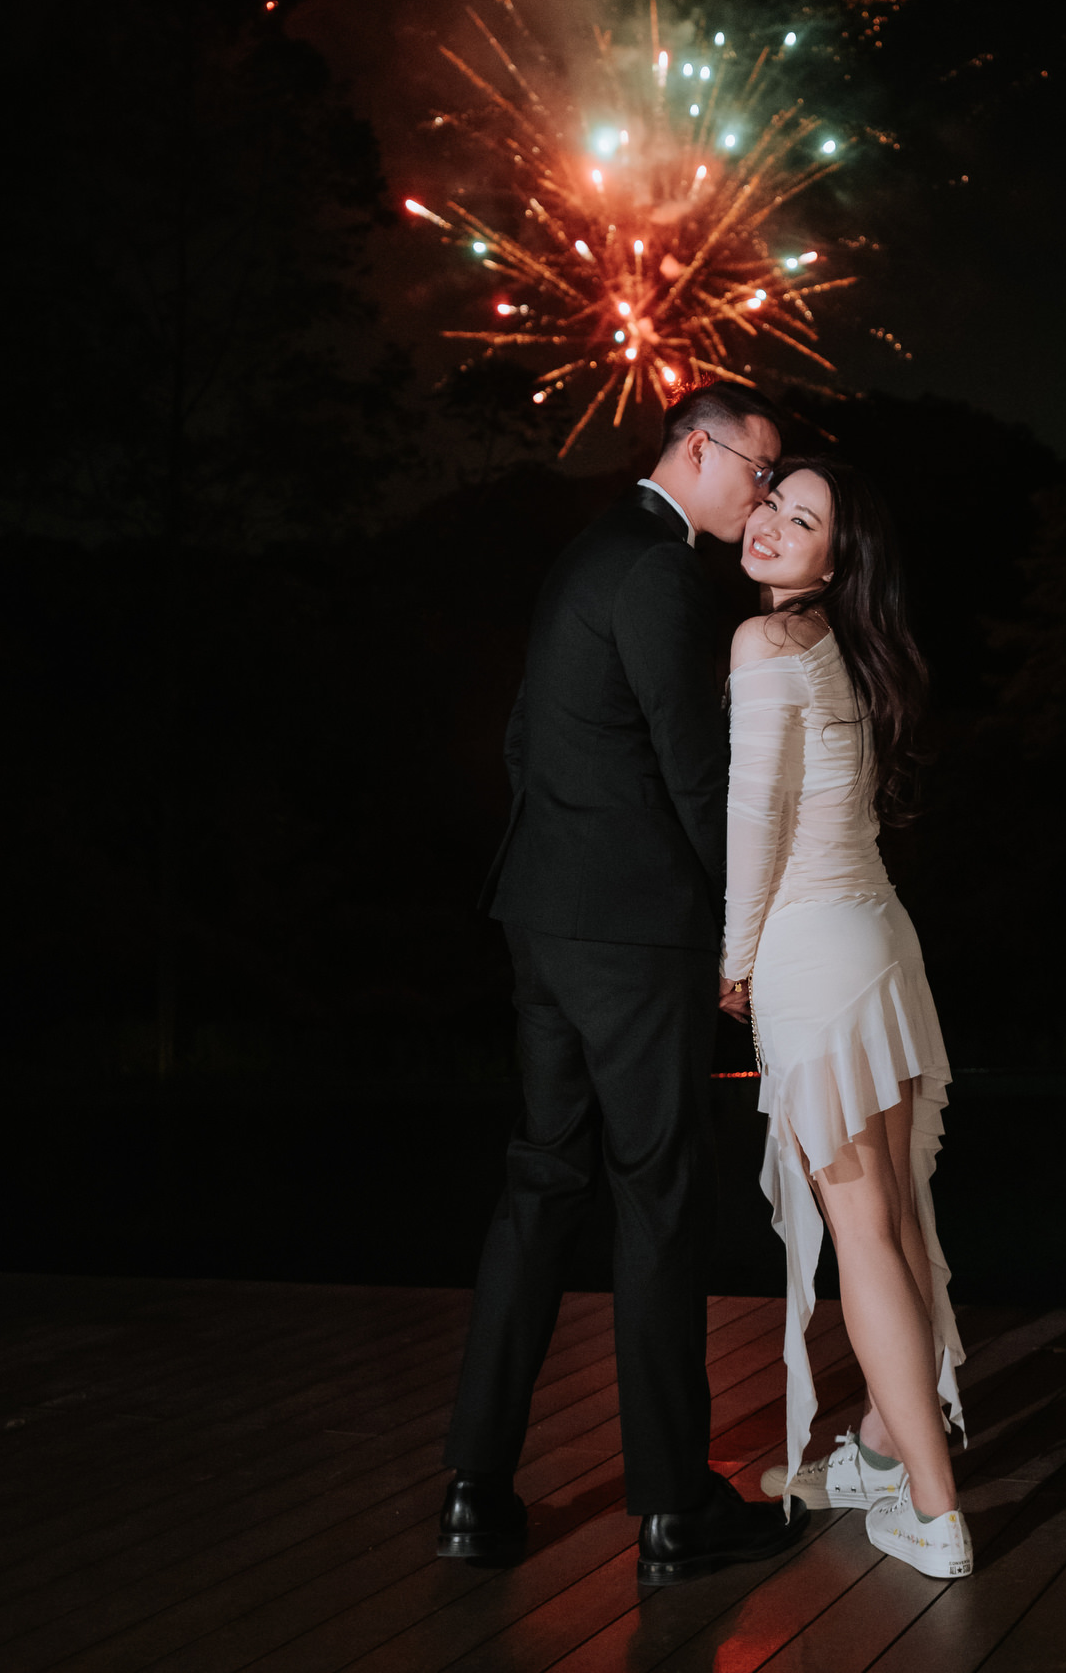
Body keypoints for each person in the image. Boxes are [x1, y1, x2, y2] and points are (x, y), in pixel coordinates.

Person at [436, 381, 813, 1585]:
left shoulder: (583, 558)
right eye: (757, 472)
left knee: (541, 1190)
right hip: (636, 934)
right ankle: (673, 1510)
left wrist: (557, 870)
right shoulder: (657, 572)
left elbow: (519, 740)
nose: (760, 495)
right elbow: (693, 770)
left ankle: (473, 1490)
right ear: (697, 450)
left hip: (541, 919)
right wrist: (742, 931)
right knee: (658, 1201)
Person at [719, 457, 973, 1580]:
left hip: (814, 957)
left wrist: (731, 965)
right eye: (773, 500)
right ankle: (882, 1442)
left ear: (836, 558)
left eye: (801, 518)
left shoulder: (764, 643)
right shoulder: (850, 651)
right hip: (882, 942)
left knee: (864, 1230)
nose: (771, 522)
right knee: (901, 1223)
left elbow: (752, 829)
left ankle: (934, 1509)